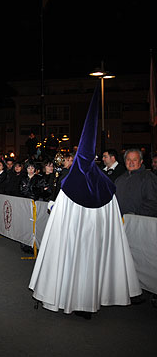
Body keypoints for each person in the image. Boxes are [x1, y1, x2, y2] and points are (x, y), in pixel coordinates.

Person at [29, 86, 140, 318]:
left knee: (72, 263)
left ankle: (68, 296)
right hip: (95, 236)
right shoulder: (105, 185)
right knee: (91, 264)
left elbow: (57, 215)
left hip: (73, 236)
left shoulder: (70, 182)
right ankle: (90, 300)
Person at [114, 149, 157, 217]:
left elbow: (152, 202)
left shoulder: (148, 178)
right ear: (125, 161)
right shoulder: (119, 179)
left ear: (141, 161)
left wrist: (135, 215)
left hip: (141, 221)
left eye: (135, 160)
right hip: (121, 221)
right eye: (128, 159)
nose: (131, 162)